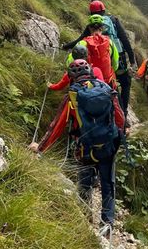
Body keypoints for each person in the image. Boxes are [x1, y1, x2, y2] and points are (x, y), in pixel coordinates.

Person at [29, 59, 124, 228]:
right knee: (108, 184)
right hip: (108, 146)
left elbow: (57, 126)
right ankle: (107, 224)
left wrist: (40, 147)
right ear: (90, 71)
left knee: (85, 184)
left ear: (71, 77)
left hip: (85, 148)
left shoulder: (73, 96)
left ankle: (86, 222)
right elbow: (120, 118)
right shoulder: (107, 89)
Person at [62, 0, 136, 119]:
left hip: (96, 69)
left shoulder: (90, 25)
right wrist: (132, 59)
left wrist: (66, 46)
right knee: (125, 83)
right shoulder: (113, 21)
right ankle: (124, 114)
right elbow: (124, 39)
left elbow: (79, 41)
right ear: (104, 10)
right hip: (117, 60)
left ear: (91, 13)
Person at [77, 15, 120, 87]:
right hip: (107, 82)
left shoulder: (82, 43)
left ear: (90, 28)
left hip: (88, 82)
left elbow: (71, 62)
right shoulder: (109, 42)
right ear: (102, 28)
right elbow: (115, 62)